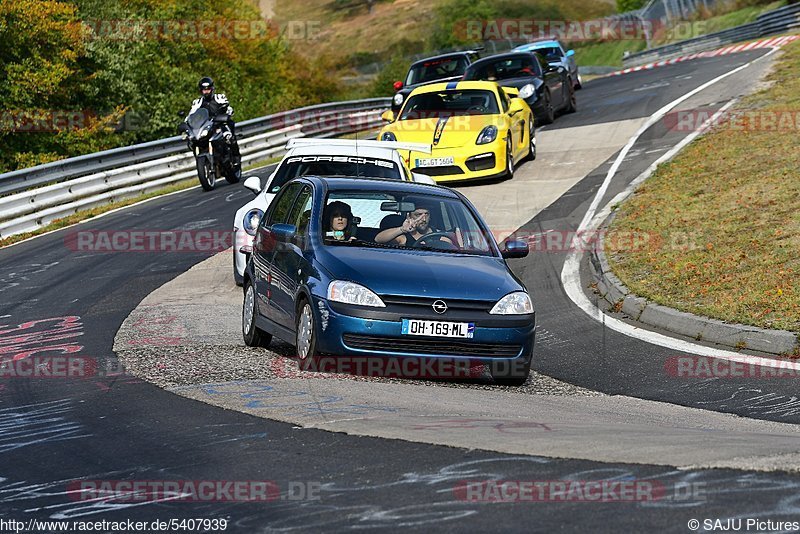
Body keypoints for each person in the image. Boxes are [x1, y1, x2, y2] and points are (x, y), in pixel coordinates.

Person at [185, 77, 240, 162]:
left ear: (212, 89)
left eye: (208, 89)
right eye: (204, 90)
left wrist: (227, 113)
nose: (206, 92)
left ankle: (236, 157)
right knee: (194, 140)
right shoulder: (197, 102)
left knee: (228, 136)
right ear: (201, 90)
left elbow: (228, 108)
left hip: (220, 122)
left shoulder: (219, 97)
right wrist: (187, 122)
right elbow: (191, 114)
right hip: (206, 125)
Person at [375, 201, 454, 247]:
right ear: (409, 216)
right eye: (418, 215)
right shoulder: (403, 237)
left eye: (426, 214)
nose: (423, 219)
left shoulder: (441, 237)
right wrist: (402, 229)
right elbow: (378, 239)